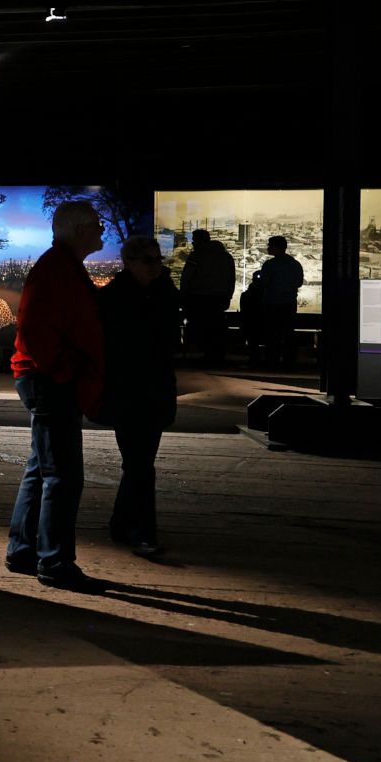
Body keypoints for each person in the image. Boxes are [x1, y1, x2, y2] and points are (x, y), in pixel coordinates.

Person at [5, 200, 107, 591]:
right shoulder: (58, 270)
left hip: (45, 378)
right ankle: (55, 561)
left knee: (42, 469)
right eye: (97, 225)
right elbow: (34, 333)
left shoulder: (59, 266)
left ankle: (24, 549)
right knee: (63, 477)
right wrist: (68, 371)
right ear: (80, 230)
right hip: (51, 381)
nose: (102, 231)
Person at [96, 235, 178, 557]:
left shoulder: (120, 296)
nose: (155, 265)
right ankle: (139, 529)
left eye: (157, 259)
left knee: (139, 462)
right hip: (132, 391)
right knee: (141, 462)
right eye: (148, 260)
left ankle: (126, 524)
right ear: (129, 262)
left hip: (142, 390)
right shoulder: (150, 295)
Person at [178, 229, 235, 365]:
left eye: (194, 239)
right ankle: (217, 355)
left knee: (200, 327)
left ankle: (208, 354)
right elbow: (231, 279)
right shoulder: (226, 257)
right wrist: (228, 296)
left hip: (198, 298)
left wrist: (183, 296)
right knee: (216, 328)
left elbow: (187, 278)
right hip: (219, 298)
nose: (192, 242)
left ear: (198, 240)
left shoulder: (197, 256)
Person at [251, 235, 305, 369]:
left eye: (270, 245)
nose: (268, 248)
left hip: (272, 304)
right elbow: (299, 283)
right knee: (288, 333)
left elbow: (263, 283)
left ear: (277, 247)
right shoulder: (295, 264)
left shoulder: (270, 265)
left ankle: (272, 360)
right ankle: (289, 361)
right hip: (289, 303)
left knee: (272, 334)